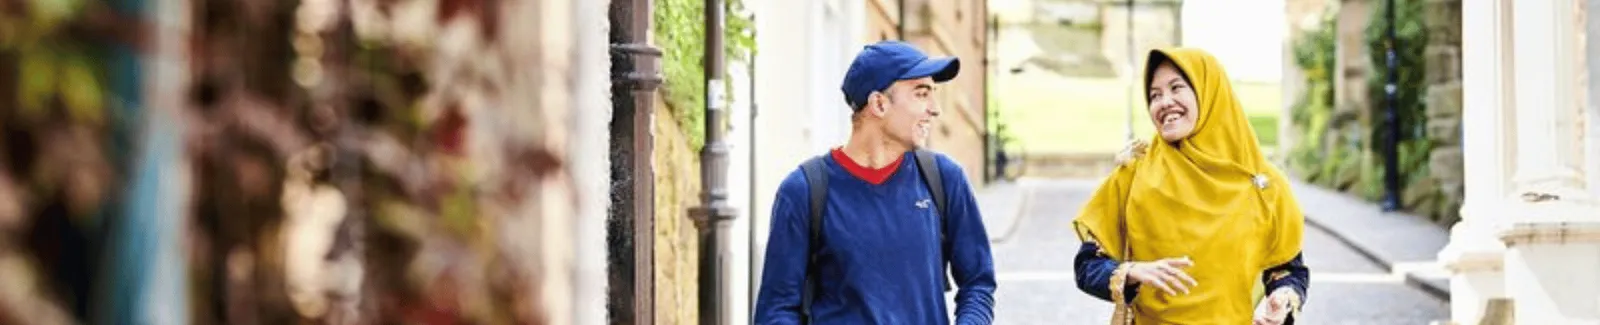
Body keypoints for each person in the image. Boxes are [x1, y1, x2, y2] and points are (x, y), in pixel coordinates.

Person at [753, 40, 997, 324]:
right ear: (879, 104)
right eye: (921, 94)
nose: (934, 109)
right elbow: (776, 309)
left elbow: (978, 282)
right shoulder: (804, 191)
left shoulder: (944, 179)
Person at [1073, 48, 1311, 325]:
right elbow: (1087, 267)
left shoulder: (1264, 184)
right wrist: (1135, 271)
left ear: (1209, 93)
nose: (1165, 102)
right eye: (1154, 95)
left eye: (1176, 88)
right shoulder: (1132, 175)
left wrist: (1283, 298)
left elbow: (1287, 268)